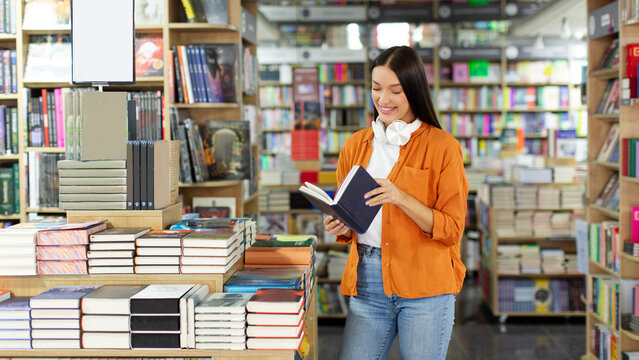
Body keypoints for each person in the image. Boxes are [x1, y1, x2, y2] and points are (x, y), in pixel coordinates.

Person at [323, 46, 468, 360]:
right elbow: (353, 220)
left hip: (426, 283)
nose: (383, 99)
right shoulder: (355, 146)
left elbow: (452, 228)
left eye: (395, 90)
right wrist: (340, 224)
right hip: (368, 281)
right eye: (376, 89)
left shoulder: (443, 147)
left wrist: (401, 198)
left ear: (413, 90)